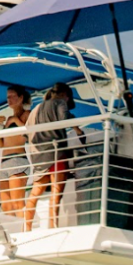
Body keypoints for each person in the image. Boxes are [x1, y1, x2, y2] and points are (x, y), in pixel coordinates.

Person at [29, 82, 83, 227]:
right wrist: (77, 129)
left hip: (39, 155)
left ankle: (26, 227)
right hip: (56, 153)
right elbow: (63, 120)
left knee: (34, 194)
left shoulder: (38, 107)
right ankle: (52, 226)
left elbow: (27, 130)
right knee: (56, 193)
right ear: (66, 96)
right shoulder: (60, 102)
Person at [0, 83, 35, 228]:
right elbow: (2, 145)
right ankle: (12, 232)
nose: (9, 100)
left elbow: (28, 135)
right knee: (6, 206)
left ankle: (25, 230)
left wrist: (16, 121)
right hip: (5, 162)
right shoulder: (10, 118)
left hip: (18, 160)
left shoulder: (27, 115)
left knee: (17, 202)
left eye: (12, 97)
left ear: (21, 98)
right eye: (7, 97)